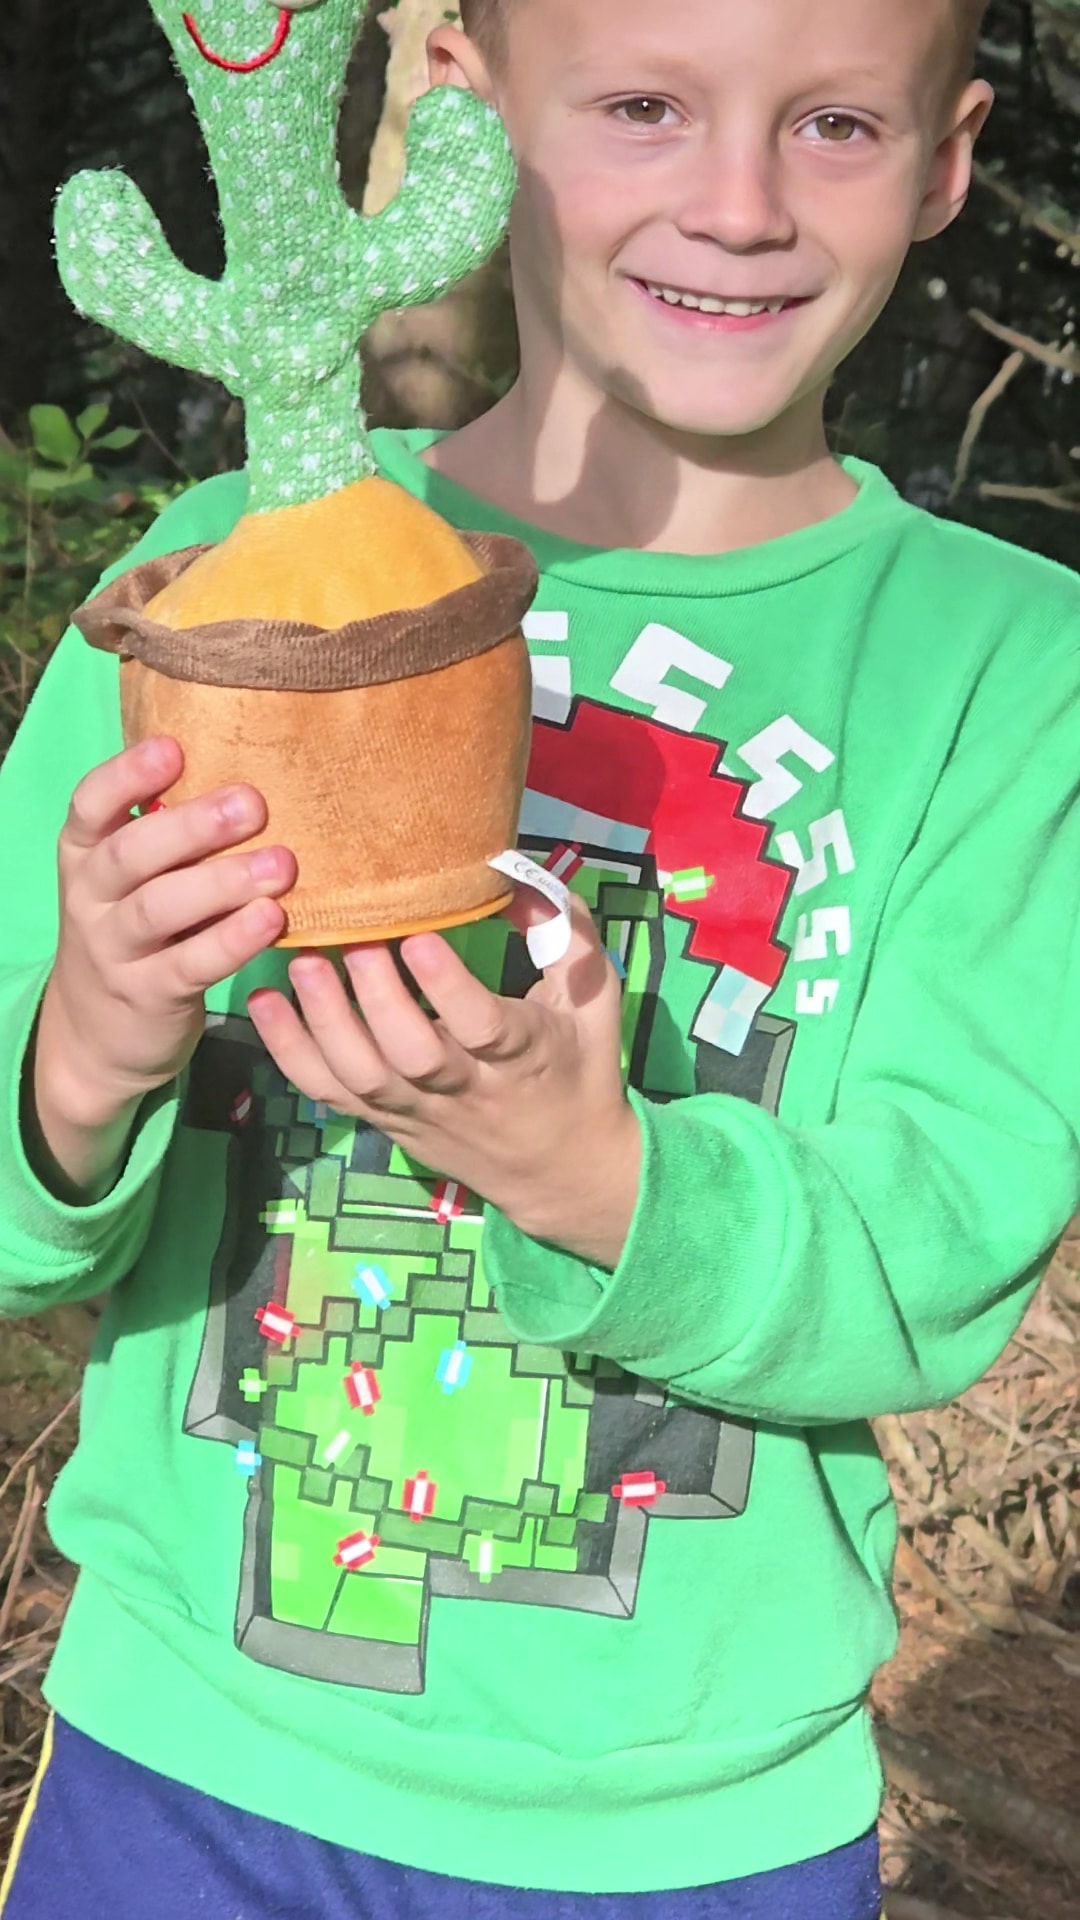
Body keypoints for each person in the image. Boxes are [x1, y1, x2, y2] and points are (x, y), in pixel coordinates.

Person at [1, 0, 1077, 1915]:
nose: (737, 205)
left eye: (831, 124)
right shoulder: (207, 592)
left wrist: (596, 1176)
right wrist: (91, 1040)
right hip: (184, 1761)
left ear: (949, 156)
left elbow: (945, 1248)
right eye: (646, 106)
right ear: (468, 114)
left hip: (687, 1829)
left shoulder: (1014, 671)